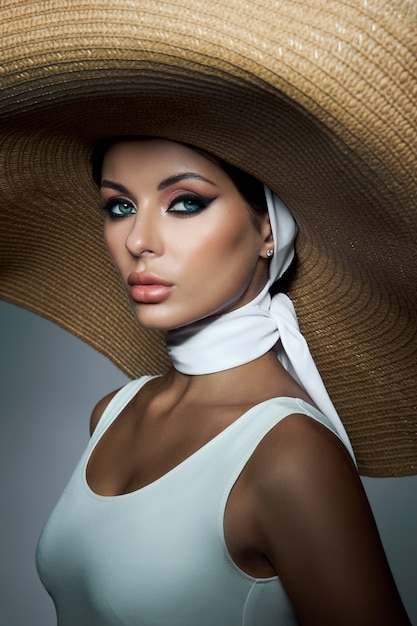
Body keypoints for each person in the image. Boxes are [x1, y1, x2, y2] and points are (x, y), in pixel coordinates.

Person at [0, 1, 416, 625]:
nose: (139, 239)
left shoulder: (288, 453)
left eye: (185, 202)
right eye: (119, 206)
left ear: (268, 230)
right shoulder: (113, 413)